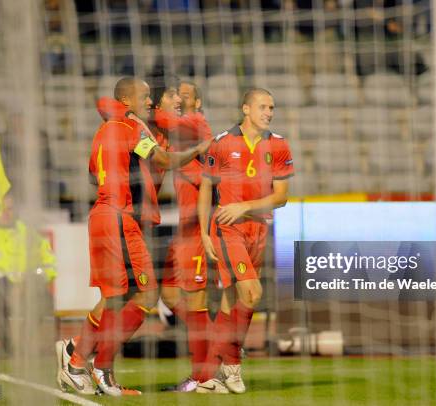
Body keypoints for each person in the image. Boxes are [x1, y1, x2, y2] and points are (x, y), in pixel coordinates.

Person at [56, 77, 211, 397]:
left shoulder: (115, 127)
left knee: (117, 298)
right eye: (156, 97)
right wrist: (197, 149)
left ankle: (78, 356)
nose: (155, 103)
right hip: (119, 218)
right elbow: (163, 157)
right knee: (144, 296)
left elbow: (92, 172)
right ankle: (95, 365)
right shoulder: (132, 127)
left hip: (112, 216)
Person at [195, 88, 294, 394]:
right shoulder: (223, 143)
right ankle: (232, 365)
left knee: (232, 301)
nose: (269, 112)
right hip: (229, 229)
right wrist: (203, 233)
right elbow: (204, 189)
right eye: (263, 107)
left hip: (259, 229)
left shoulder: (278, 145)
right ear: (246, 109)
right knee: (252, 293)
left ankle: (210, 376)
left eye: (272, 108)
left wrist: (247, 207)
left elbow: (281, 197)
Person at [160, 80, 214, 392]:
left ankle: (202, 376)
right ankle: (215, 342)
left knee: (196, 303)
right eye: (176, 94)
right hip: (183, 231)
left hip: (196, 230)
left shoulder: (195, 123)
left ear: (197, 102)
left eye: (186, 94)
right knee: (167, 295)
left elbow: (164, 120)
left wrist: (150, 111)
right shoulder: (183, 135)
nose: (180, 97)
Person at [0, 193, 56, 356]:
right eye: (2, 209)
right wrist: (2, 281)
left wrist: (33, 279)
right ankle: (8, 347)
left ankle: (24, 341)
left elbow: (49, 262)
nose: (7, 212)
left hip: (26, 288)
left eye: (10, 208)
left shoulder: (29, 233)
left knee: (44, 300)